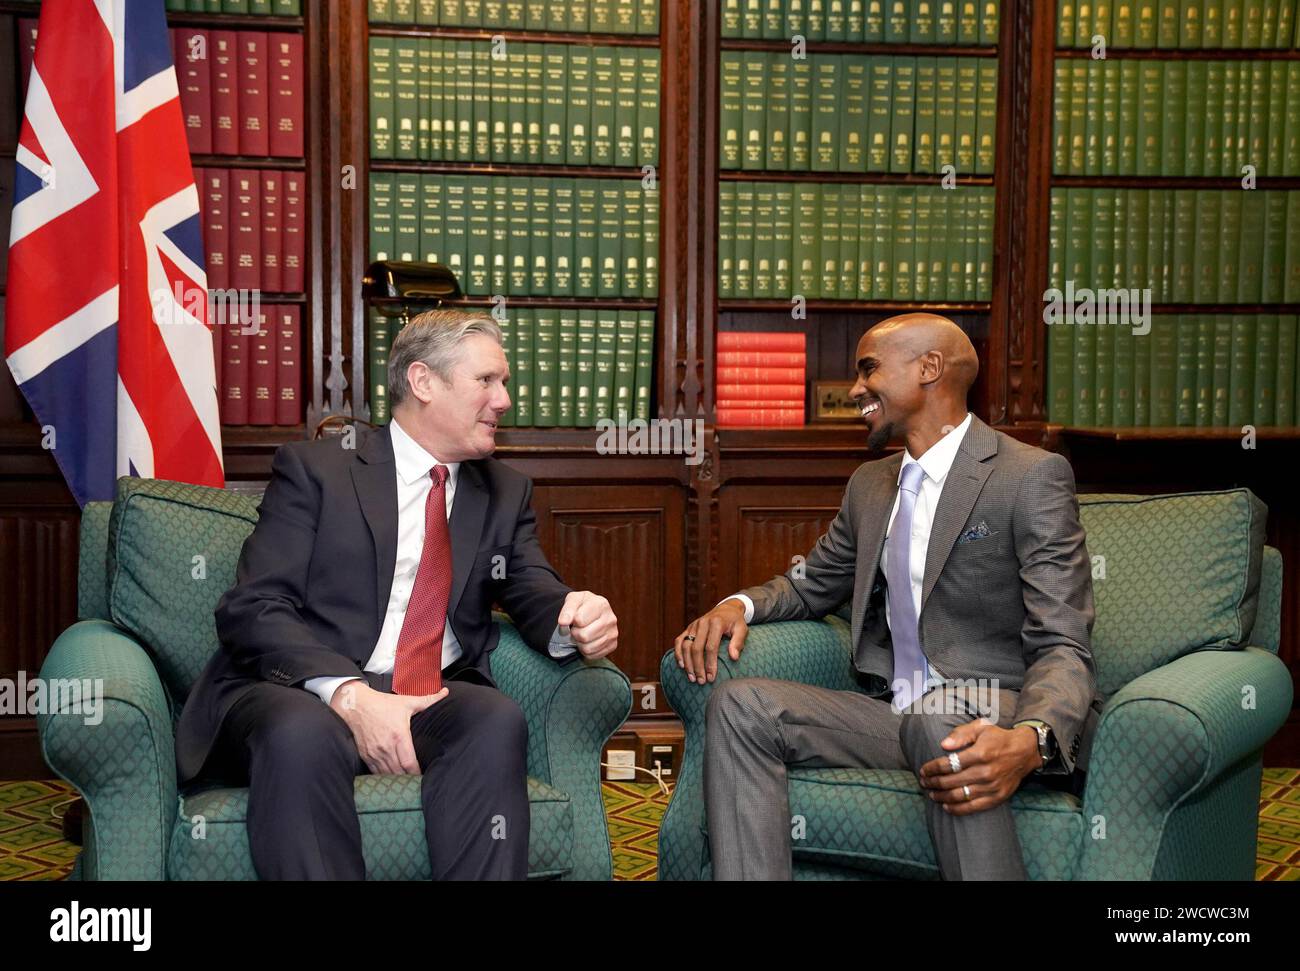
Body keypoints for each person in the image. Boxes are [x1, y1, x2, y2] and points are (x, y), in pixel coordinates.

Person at [177, 308, 619, 880]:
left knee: (493, 718)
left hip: (428, 693)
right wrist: (351, 696)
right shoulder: (319, 471)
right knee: (301, 734)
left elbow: (531, 587)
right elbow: (253, 608)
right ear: (422, 382)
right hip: (305, 692)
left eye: (504, 382)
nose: (505, 399)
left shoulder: (504, 491)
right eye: (487, 380)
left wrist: (572, 616)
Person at [675, 312, 1096, 880]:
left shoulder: (1029, 476)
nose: (854, 390)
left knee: (936, 720)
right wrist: (737, 606)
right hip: (892, 711)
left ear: (929, 368)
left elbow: (1063, 642)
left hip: (997, 708)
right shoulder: (871, 485)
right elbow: (812, 583)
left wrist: (1033, 738)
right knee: (742, 705)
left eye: (868, 369)